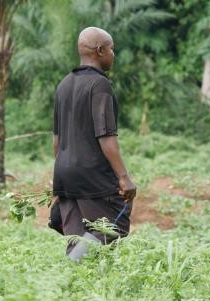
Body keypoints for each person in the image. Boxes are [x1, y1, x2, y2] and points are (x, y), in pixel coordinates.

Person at [51, 27, 137, 261]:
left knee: (77, 237)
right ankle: (72, 267)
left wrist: (59, 177)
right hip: (92, 175)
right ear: (100, 50)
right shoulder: (99, 85)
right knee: (111, 227)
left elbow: (56, 140)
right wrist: (123, 177)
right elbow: (106, 135)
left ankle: (78, 290)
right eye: (111, 49)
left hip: (65, 173)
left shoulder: (64, 84)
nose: (113, 54)